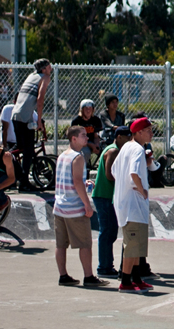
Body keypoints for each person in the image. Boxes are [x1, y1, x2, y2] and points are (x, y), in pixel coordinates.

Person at [52, 126, 107, 288]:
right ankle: (88, 276)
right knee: (85, 244)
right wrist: (87, 205)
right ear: (73, 138)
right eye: (83, 136)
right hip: (74, 208)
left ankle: (63, 275)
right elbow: (76, 182)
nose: (86, 138)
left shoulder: (62, 156)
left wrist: (84, 183)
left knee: (60, 244)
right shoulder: (78, 157)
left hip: (60, 207)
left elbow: (71, 180)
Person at [112, 117, 156, 294]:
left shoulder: (126, 148)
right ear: (138, 132)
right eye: (148, 130)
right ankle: (126, 281)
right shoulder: (137, 149)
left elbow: (115, 170)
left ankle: (137, 278)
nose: (151, 133)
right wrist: (142, 191)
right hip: (133, 206)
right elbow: (133, 173)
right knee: (132, 246)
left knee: (137, 245)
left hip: (126, 203)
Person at [92, 126, 131, 278]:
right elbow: (110, 175)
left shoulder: (116, 150)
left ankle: (106, 265)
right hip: (104, 195)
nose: (129, 139)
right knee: (107, 231)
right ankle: (104, 267)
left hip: (108, 196)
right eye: (127, 136)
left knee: (110, 231)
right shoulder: (113, 150)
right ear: (119, 136)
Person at [11, 58, 52, 188]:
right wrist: (38, 120)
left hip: (16, 115)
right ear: (44, 69)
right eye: (49, 66)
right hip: (25, 117)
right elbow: (40, 99)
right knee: (28, 150)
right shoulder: (45, 77)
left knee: (21, 147)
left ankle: (8, 159)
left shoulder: (31, 76)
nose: (51, 69)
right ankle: (23, 182)